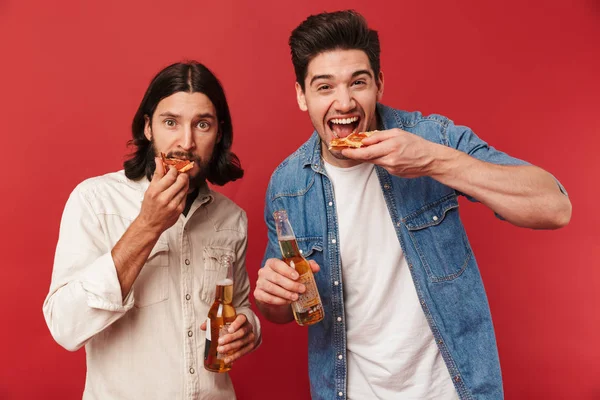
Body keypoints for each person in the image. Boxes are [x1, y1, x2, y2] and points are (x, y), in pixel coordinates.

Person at [254, 10, 571, 400]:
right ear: (302, 95)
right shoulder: (287, 185)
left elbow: (555, 207)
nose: (344, 102)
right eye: (324, 87)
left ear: (380, 84)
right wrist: (272, 297)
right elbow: (281, 310)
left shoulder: (429, 137)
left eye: (358, 82)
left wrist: (434, 161)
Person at [43, 61, 261, 400]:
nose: (185, 143)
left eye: (202, 124)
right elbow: (65, 327)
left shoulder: (231, 218)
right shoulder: (94, 200)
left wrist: (250, 328)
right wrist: (147, 226)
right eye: (171, 122)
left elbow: (239, 305)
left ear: (218, 133)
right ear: (148, 128)